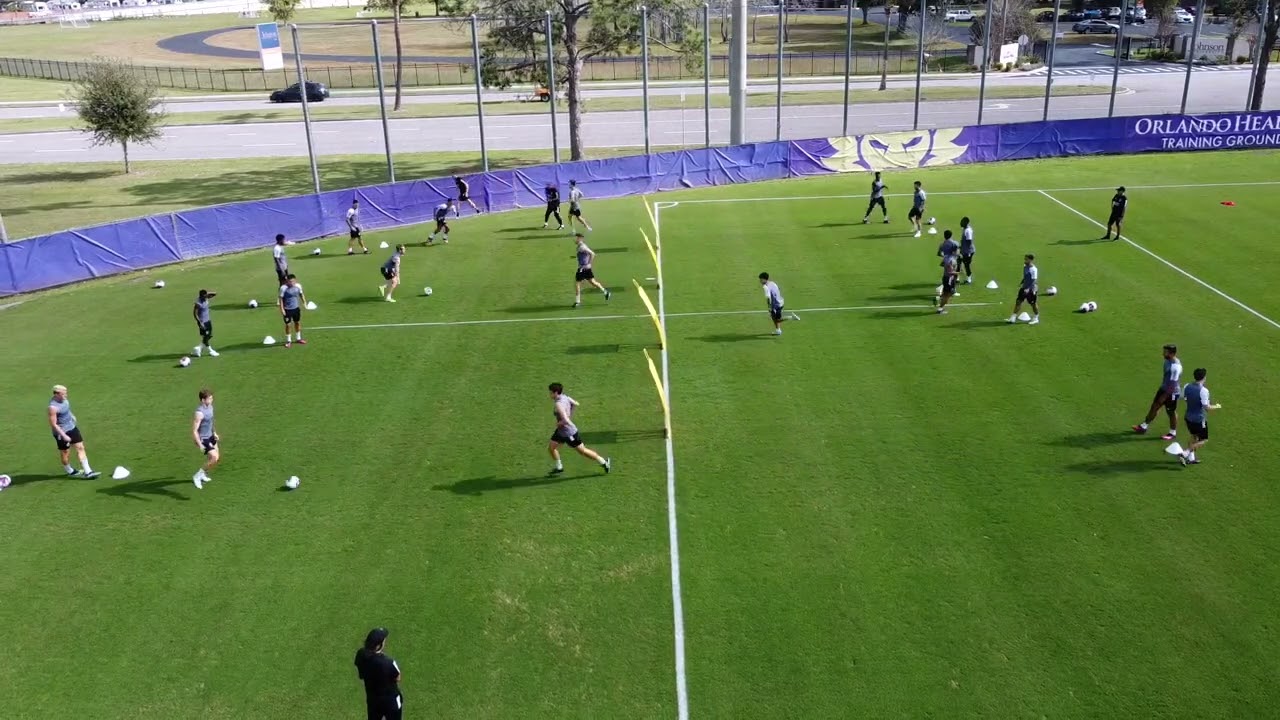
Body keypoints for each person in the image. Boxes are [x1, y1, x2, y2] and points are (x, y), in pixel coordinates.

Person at [547, 383, 612, 476]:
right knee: (551, 448)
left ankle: (604, 462)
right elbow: (575, 404)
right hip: (561, 431)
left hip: (569, 433)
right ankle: (559, 467)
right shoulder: (565, 397)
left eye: (550, 393)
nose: (549, 395)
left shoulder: (558, 404)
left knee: (583, 451)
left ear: (556, 392)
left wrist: (559, 423)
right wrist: (569, 415)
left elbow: (566, 420)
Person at [47, 384, 100, 478]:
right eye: (63, 394)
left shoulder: (64, 400)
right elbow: (53, 424)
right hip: (61, 432)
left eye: (66, 393)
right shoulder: (53, 407)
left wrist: (71, 415)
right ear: (56, 394)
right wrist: (64, 435)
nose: (66, 395)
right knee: (65, 452)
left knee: (80, 447)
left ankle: (88, 472)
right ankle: (69, 470)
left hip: (71, 427)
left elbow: (66, 409)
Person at [1133, 343, 1183, 440]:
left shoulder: (1175, 367)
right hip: (1164, 388)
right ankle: (1144, 426)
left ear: (1172, 354)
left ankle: (1172, 433)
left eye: (1165, 352)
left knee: (1171, 412)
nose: (1163, 354)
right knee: (1154, 406)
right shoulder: (1168, 361)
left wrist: (1164, 397)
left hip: (1171, 392)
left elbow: (1173, 384)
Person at [354, 627, 403, 720]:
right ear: (378, 645)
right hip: (391, 701)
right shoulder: (388, 662)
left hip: (373, 699)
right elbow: (398, 678)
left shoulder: (361, 655)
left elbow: (361, 674)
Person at [1178, 367, 1221, 466]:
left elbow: (1183, 397)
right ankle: (1185, 453)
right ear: (1204, 377)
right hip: (1199, 420)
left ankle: (1191, 459)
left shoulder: (1187, 386)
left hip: (1188, 417)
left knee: (1194, 436)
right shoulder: (1203, 391)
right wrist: (1217, 406)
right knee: (1204, 439)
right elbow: (1207, 407)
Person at [573, 232, 611, 307]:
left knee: (577, 284)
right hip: (586, 268)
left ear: (580, 238)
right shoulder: (580, 246)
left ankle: (577, 301)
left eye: (576, 238)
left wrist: (589, 263)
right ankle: (605, 292)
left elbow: (592, 254)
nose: (575, 239)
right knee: (593, 282)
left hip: (582, 268)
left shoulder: (582, 247)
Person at [191, 388, 218, 489]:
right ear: (203, 400)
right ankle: (197, 476)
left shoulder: (210, 407)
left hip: (210, 435)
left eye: (211, 398)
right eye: (209, 399)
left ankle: (203, 474)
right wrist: (200, 444)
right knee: (214, 457)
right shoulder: (199, 413)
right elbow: (194, 431)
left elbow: (211, 421)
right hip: (203, 438)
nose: (211, 400)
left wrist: (214, 432)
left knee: (215, 458)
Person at [1007, 254, 1040, 325]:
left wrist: (1028, 288)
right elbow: (1025, 276)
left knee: (1033, 304)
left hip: (1031, 289)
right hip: (1024, 287)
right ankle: (1013, 317)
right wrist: (1022, 282)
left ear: (1030, 260)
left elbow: (1034, 280)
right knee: (1018, 301)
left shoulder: (1033, 269)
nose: (1025, 261)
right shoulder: (1025, 266)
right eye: (1025, 259)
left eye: (1026, 259)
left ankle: (1036, 317)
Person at [278, 273, 308, 348]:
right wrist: (282, 309)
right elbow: (281, 299)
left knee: (297, 323)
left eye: (293, 281)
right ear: (286, 281)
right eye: (289, 281)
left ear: (295, 280)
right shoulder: (283, 288)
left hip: (296, 308)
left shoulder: (298, 286)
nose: (291, 283)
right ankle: (288, 341)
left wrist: (304, 302)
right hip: (287, 310)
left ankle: (298, 338)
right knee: (288, 325)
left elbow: (301, 294)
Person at [193, 289, 219, 357]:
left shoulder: (206, 298)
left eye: (206, 296)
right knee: (206, 336)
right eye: (204, 296)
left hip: (208, 320)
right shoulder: (198, 303)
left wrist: (207, 293)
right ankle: (211, 351)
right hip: (202, 322)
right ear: (201, 296)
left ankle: (198, 348)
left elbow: (215, 293)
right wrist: (199, 322)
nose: (206, 297)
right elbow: (195, 313)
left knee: (209, 335)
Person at [933, 249, 959, 315]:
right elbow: (950, 272)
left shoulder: (947, 257)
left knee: (949, 293)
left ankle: (938, 298)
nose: (958, 251)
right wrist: (958, 272)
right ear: (953, 251)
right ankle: (940, 309)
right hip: (949, 279)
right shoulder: (951, 260)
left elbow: (942, 264)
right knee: (948, 295)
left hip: (946, 278)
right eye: (957, 250)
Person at [958, 216, 975, 284]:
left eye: (962, 222)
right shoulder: (965, 229)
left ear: (966, 222)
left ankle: (969, 279)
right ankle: (957, 278)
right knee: (958, 262)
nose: (960, 223)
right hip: (964, 250)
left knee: (966, 264)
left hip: (968, 251)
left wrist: (968, 252)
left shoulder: (968, 231)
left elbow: (969, 242)